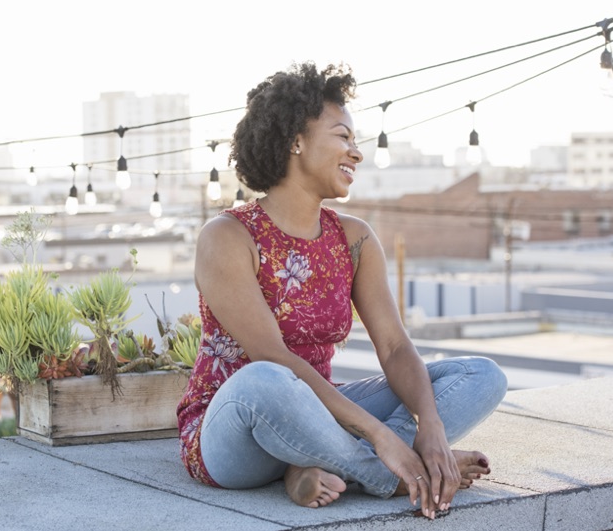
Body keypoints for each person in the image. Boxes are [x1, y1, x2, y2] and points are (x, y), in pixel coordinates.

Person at [176, 62, 507, 520]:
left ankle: (314, 466)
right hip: (235, 425)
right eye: (342, 137)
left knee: (481, 375)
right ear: (296, 140)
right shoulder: (228, 237)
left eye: (356, 141)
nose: (357, 153)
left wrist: (429, 425)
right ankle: (387, 474)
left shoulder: (354, 239)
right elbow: (272, 355)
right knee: (264, 379)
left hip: (322, 418)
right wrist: (382, 437)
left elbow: (393, 347)